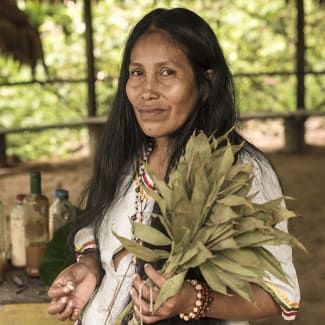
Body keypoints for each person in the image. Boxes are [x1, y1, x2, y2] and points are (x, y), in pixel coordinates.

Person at [47, 7, 300, 325]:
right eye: (137, 73)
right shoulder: (127, 158)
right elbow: (96, 223)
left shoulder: (240, 170)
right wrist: (88, 264)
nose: (147, 91)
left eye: (167, 73)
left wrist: (192, 300)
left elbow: (279, 295)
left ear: (205, 83)